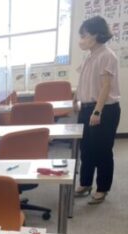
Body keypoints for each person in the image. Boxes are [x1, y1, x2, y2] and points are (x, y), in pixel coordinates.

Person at [73, 16, 121, 204]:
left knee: (102, 150)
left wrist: (97, 111)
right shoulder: (90, 56)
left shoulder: (107, 55)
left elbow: (106, 87)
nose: (81, 40)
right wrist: (76, 98)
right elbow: (83, 81)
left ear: (96, 35)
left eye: (84, 35)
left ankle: (102, 188)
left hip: (104, 109)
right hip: (86, 108)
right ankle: (85, 183)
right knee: (86, 149)